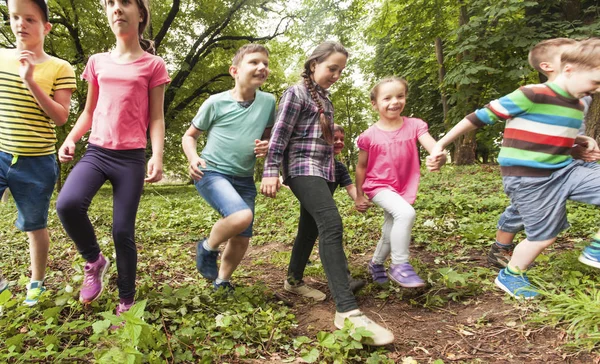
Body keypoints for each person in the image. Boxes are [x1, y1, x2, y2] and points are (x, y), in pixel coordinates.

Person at [428, 38, 600, 299]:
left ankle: (596, 249)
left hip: (565, 169)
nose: (597, 90)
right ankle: (511, 274)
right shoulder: (531, 94)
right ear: (568, 70)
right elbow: (477, 117)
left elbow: (554, 134)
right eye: (595, 82)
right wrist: (440, 144)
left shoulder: (578, 103)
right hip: (529, 179)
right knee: (544, 237)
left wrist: (580, 142)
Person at [261, 41, 394, 346]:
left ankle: (294, 281)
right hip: (299, 168)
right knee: (331, 224)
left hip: (323, 170)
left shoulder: (327, 100)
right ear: (313, 65)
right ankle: (347, 310)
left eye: (341, 70)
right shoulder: (295, 92)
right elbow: (279, 135)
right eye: (332, 68)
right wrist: (271, 170)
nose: (336, 74)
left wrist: (330, 148)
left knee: (310, 228)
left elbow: (316, 136)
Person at [55, 0, 170, 316]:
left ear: (141, 13)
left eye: (125, 2)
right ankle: (94, 261)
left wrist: (156, 155)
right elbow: (89, 111)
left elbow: (157, 118)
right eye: (111, 4)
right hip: (97, 152)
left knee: (122, 231)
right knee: (67, 204)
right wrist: (70, 138)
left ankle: (127, 302)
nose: (117, 8)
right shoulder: (97, 62)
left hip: (130, 158)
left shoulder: (153, 65)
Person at [488, 38, 600, 269]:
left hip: (567, 162)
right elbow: (533, 136)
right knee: (519, 208)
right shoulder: (534, 94)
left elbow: (565, 132)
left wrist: (580, 142)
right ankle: (501, 248)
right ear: (549, 66)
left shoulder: (583, 95)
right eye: (569, 54)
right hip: (534, 166)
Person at [0, 0, 76, 305]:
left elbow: (61, 117)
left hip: (37, 161)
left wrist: (30, 80)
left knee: (34, 224)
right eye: (15, 17)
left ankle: (36, 282)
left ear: (46, 27)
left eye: (30, 19)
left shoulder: (59, 67)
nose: (21, 24)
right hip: (1, 152)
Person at [183, 43, 275, 291]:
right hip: (211, 172)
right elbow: (189, 136)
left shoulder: (268, 102)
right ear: (234, 71)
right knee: (241, 216)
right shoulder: (216, 102)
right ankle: (206, 247)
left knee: (242, 237)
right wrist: (193, 158)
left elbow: (267, 137)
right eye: (254, 62)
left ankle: (222, 282)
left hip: (244, 177)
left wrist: (265, 146)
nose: (262, 67)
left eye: (265, 63)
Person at [355, 77, 444, 287]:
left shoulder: (414, 125)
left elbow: (434, 147)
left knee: (391, 227)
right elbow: (361, 167)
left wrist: (439, 156)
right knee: (405, 214)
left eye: (400, 96)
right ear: (374, 103)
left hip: (402, 186)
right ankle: (399, 265)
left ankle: (376, 264)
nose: (395, 101)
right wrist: (359, 195)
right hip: (378, 186)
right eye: (387, 98)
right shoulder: (369, 136)